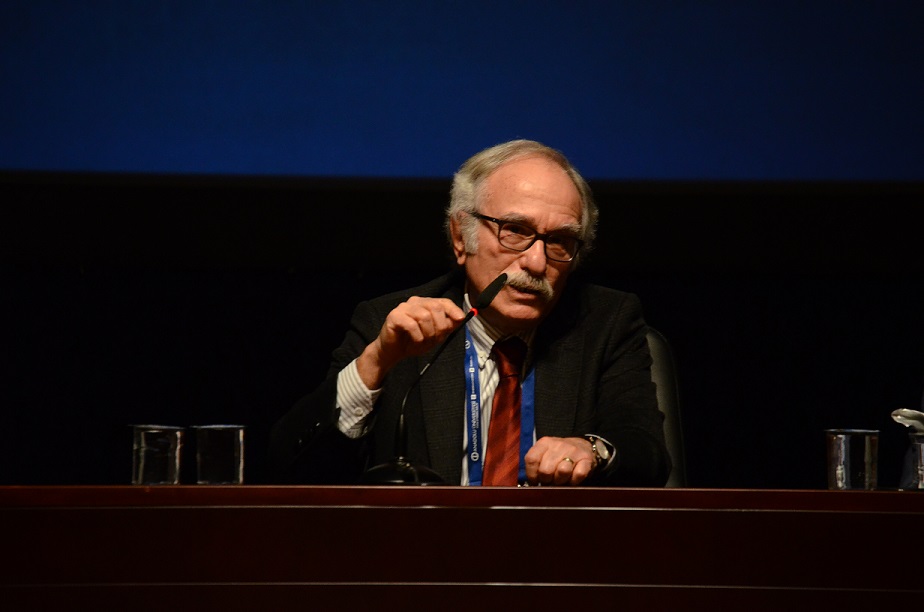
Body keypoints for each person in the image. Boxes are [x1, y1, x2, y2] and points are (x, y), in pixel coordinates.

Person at [269, 139, 671, 487]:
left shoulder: (605, 322)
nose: (536, 262)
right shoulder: (388, 323)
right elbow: (295, 468)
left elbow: (647, 454)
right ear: (461, 236)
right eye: (515, 231)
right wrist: (375, 362)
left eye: (560, 240)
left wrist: (592, 450)